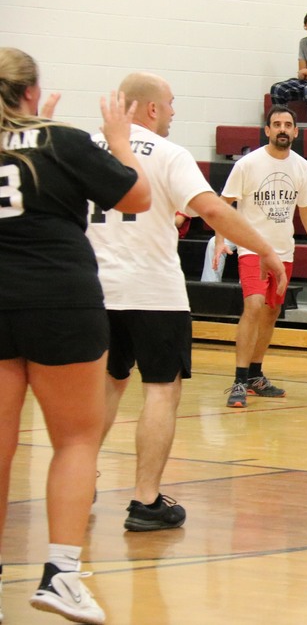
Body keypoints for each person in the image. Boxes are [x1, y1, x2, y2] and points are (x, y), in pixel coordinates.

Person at [88, 72, 288, 532]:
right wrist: (266, 250)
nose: (175, 112)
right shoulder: (167, 153)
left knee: (108, 381)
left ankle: (81, 476)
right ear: (151, 108)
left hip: (96, 289)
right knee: (161, 388)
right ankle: (145, 501)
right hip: (153, 291)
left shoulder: (84, 147)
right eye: (172, 104)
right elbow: (214, 210)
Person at [0, 47, 151, 624]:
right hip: (60, 300)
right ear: (33, 92)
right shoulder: (61, 141)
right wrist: (116, 139)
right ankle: (61, 575)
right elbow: (135, 197)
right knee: (76, 440)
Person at [217, 106, 307, 408]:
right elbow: (223, 203)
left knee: (270, 312)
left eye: (288, 124)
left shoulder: (301, 167)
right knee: (253, 305)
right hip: (252, 250)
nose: (282, 129)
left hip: (284, 252)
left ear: (296, 131)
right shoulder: (247, 164)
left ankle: (256, 375)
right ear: (267, 130)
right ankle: (239, 379)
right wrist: (220, 240)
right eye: (276, 124)